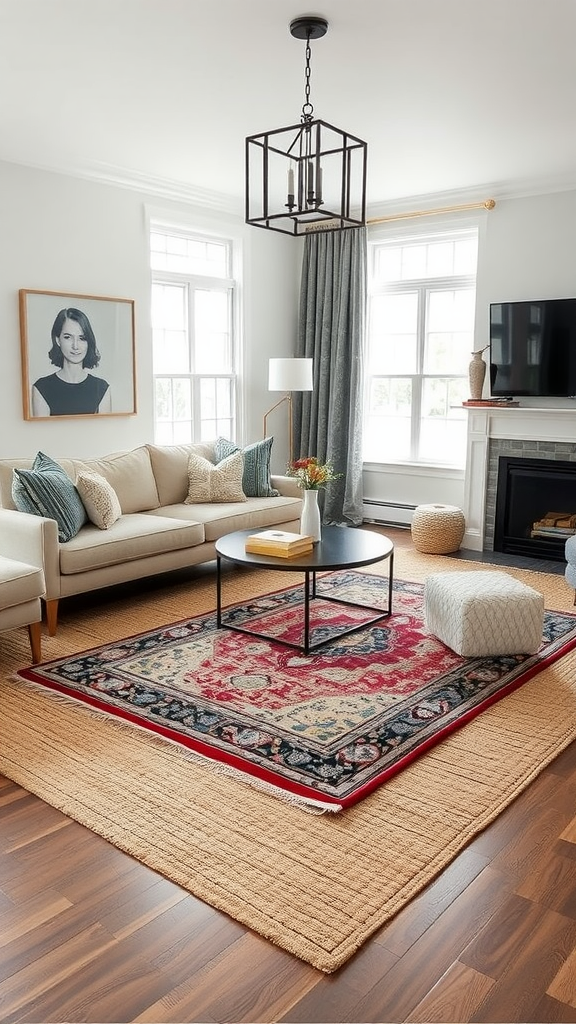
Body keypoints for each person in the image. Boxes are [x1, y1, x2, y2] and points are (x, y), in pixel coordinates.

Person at [32, 307, 112, 416]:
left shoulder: (101, 388)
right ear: (58, 340)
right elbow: (40, 432)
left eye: (82, 338)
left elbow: (106, 430)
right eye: (68, 337)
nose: (75, 346)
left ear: (89, 342)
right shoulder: (41, 388)